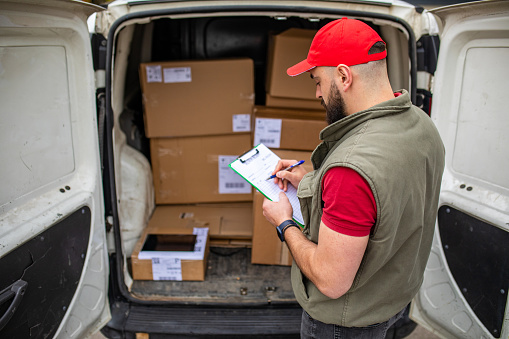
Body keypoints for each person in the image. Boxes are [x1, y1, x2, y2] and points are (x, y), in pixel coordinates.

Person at [262, 18, 445, 338]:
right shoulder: (421, 125)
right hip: (391, 300)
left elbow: (331, 280)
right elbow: (385, 195)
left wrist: (284, 223)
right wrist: (311, 179)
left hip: (344, 324)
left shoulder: (351, 170)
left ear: (344, 75)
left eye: (317, 80)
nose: (317, 93)